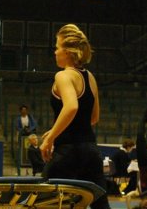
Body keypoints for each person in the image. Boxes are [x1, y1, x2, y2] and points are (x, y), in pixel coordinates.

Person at [40, 24, 110, 209]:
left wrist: (51, 138)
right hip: (90, 152)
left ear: (68, 52)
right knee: (101, 206)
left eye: (57, 47)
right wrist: (55, 130)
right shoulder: (90, 77)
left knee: (43, 201)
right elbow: (93, 118)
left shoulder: (63, 76)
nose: (55, 52)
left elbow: (71, 107)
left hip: (67, 152)